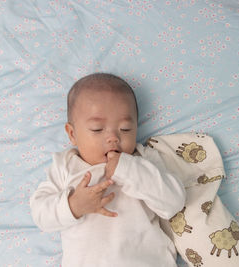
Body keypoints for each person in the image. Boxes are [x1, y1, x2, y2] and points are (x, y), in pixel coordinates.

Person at [30, 73, 186, 267]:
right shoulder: (65, 165)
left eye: (125, 129)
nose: (113, 137)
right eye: (97, 129)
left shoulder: (143, 159)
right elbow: (40, 214)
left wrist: (128, 169)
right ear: (72, 134)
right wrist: (74, 205)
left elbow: (173, 202)